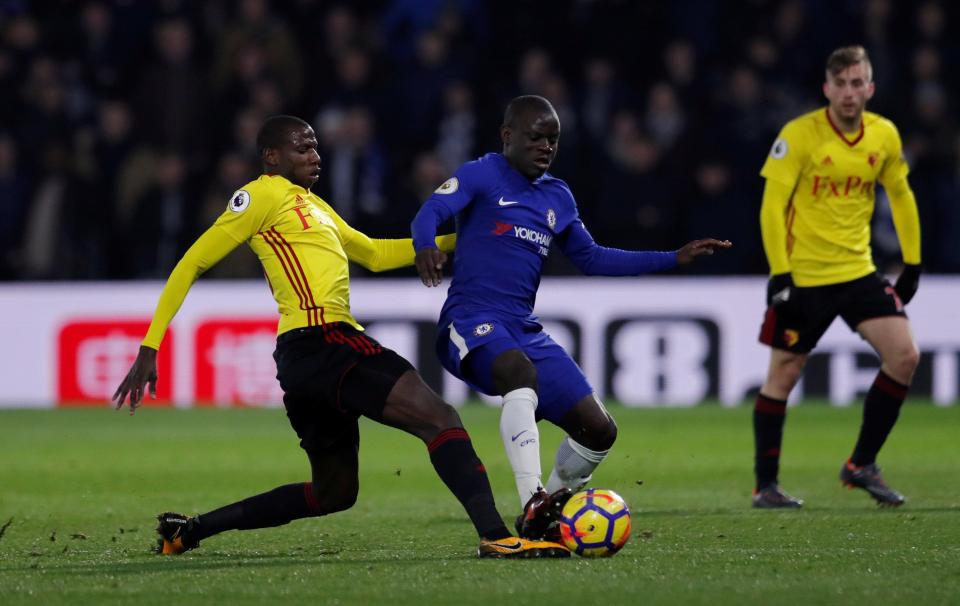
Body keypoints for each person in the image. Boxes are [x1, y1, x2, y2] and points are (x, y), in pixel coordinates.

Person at [112, 115, 570, 559]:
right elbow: (192, 262)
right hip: (324, 339)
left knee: (335, 492)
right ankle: (495, 535)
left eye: (315, 146)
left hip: (306, 359)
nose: (315, 154)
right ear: (271, 156)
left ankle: (190, 531)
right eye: (302, 146)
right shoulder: (260, 194)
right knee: (441, 417)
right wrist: (151, 344)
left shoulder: (314, 205)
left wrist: (460, 240)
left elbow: (373, 253)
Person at [410, 95, 731, 539]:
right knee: (518, 373)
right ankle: (532, 495)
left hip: (522, 328)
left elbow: (594, 258)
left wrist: (673, 257)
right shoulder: (481, 173)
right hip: (469, 319)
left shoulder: (557, 196)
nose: (546, 147)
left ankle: (543, 517)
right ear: (508, 136)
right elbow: (432, 212)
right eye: (536, 137)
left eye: (553, 139)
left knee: (598, 430)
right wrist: (425, 243)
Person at [752, 46, 921, 509]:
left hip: (859, 271)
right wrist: (780, 274)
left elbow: (901, 195)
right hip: (804, 277)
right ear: (827, 88)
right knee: (784, 375)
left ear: (870, 88)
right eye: (841, 84)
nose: (849, 94)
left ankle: (861, 463)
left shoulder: (883, 135)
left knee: (904, 356)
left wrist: (914, 262)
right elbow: (772, 205)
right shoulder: (799, 135)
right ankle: (765, 486)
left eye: (857, 84)